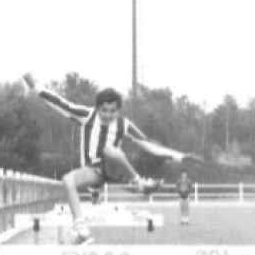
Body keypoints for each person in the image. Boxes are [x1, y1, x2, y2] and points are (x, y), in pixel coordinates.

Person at [23, 74, 190, 245]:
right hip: (93, 172)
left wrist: (180, 156)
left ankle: (139, 183)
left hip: (114, 169)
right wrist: (36, 87)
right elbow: (60, 103)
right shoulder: (87, 116)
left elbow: (147, 144)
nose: (108, 115)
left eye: (113, 111)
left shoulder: (124, 125)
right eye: (104, 111)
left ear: (118, 110)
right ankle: (81, 228)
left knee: (110, 150)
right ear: (97, 108)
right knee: (67, 179)